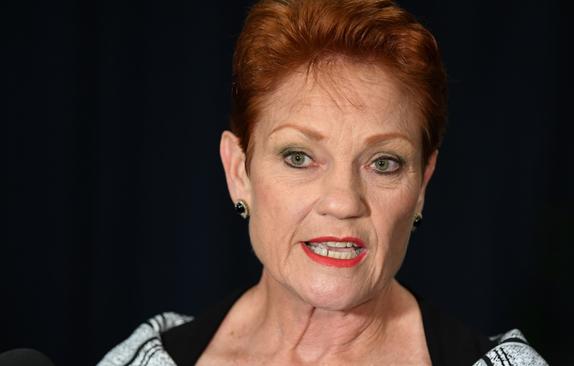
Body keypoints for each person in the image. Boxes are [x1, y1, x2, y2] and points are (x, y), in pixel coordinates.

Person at [99, 0, 547, 365]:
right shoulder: (145, 358)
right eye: (299, 157)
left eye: (384, 162)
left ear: (422, 184)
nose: (342, 201)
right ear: (240, 172)